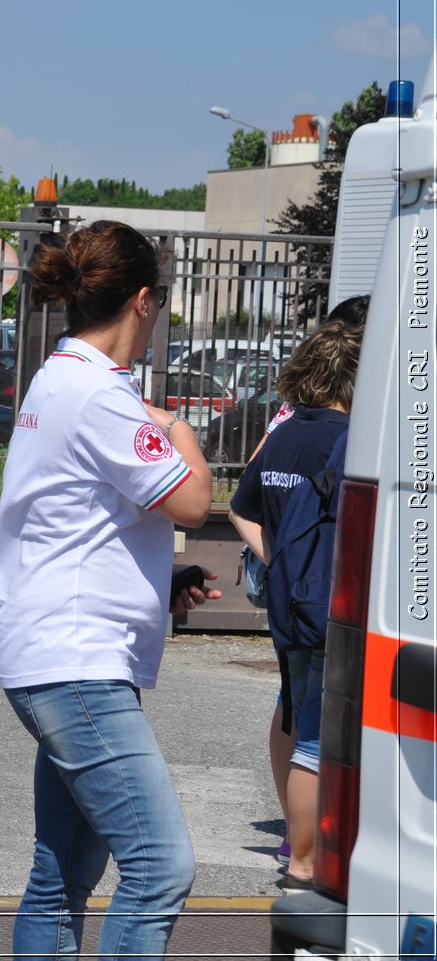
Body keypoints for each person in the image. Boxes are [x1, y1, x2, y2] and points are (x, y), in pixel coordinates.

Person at [0, 219, 219, 960]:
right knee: (160, 866)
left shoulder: (61, 378)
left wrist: (159, 581)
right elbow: (190, 500)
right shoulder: (100, 394)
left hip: (57, 654)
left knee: (62, 872)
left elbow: (81, 523)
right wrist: (180, 427)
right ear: (144, 302)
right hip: (77, 665)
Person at [228, 319, 362, 891]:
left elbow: (240, 508)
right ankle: (306, 863)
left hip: (289, 608)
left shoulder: (284, 434)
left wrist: (279, 560)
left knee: (295, 713)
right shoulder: (347, 439)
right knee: (315, 736)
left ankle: (297, 838)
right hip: (331, 609)